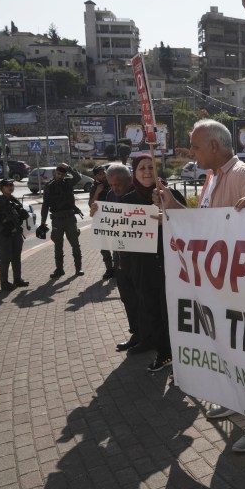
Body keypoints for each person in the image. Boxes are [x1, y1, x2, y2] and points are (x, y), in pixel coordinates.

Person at [154, 119, 245, 451]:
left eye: (194, 146)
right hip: (220, 286)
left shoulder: (240, 174)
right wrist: (171, 206)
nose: (189, 151)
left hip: (241, 287)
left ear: (213, 146)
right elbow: (202, 223)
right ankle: (237, 402)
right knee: (229, 349)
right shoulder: (211, 176)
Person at [120, 154, 186, 372]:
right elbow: (118, 233)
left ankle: (183, 355)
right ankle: (164, 354)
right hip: (143, 268)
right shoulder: (128, 202)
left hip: (171, 264)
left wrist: (166, 217)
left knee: (174, 313)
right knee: (152, 312)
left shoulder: (171, 195)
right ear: (134, 173)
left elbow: (189, 225)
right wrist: (98, 214)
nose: (147, 172)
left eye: (151, 167)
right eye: (142, 168)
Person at [89, 164, 142, 351]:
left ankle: (148, 335)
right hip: (119, 255)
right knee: (127, 296)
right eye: (111, 185)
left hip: (140, 257)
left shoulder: (139, 195)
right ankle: (136, 332)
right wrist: (95, 213)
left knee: (141, 296)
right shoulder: (111, 196)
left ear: (129, 181)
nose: (115, 189)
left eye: (118, 185)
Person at [38, 163, 84, 279]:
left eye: (62, 174)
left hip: (69, 218)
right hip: (57, 219)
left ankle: (78, 268)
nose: (60, 176)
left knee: (75, 244)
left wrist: (69, 167)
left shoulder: (68, 183)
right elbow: (45, 205)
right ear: (55, 173)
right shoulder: (49, 186)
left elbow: (78, 177)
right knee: (58, 246)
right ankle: (59, 269)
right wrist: (43, 221)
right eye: (58, 174)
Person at [0, 178, 30, 291]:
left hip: (15, 232)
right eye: (7, 185)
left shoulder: (14, 200)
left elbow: (19, 216)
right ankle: (4, 283)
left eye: (11, 185)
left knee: (16, 257)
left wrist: (22, 214)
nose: (10, 187)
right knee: (6, 258)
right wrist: (2, 229)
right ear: (2, 188)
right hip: (2, 233)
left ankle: (17, 279)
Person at [88, 164, 115, 280]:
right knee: (104, 247)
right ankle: (109, 269)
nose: (103, 175)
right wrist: (97, 192)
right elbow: (91, 204)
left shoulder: (113, 183)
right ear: (95, 177)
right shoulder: (94, 187)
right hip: (101, 221)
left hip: (114, 220)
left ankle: (118, 269)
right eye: (100, 174)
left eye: (104, 172)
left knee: (117, 245)